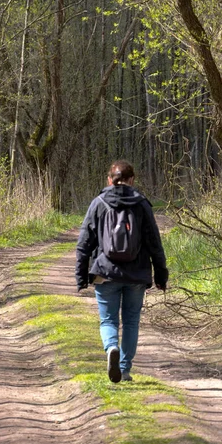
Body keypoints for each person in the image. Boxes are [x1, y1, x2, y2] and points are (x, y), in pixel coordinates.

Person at [75, 160, 168, 383]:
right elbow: (154, 242)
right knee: (131, 321)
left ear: (109, 180)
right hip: (136, 274)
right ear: (132, 180)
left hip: (105, 273)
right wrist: (161, 275)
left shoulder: (98, 203)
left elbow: (84, 242)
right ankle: (124, 369)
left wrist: (81, 276)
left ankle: (111, 348)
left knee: (108, 321)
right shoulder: (142, 204)